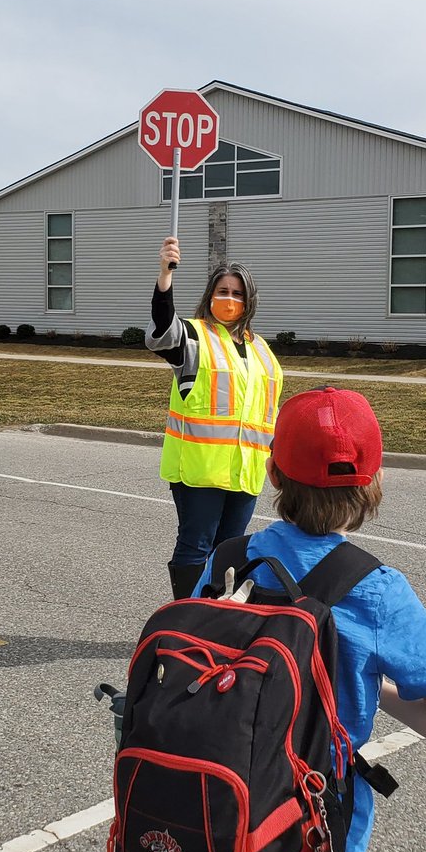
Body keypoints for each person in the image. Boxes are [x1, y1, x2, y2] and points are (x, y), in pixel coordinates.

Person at [192, 385, 426, 852]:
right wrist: (369, 686)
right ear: (372, 483)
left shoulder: (230, 557)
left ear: (275, 472)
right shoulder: (377, 590)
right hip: (312, 833)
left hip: (222, 809)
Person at [146, 237, 283, 601]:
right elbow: (162, 330)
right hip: (200, 471)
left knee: (230, 554)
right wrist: (165, 276)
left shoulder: (261, 348)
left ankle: (214, 621)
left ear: (248, 301)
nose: (230, 299)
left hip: (245, 473)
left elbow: (267, 413)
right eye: (222, 291)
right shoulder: (193, 337)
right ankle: (185, 622)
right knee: (196, 547)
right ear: (210, 295)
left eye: (238, 293)